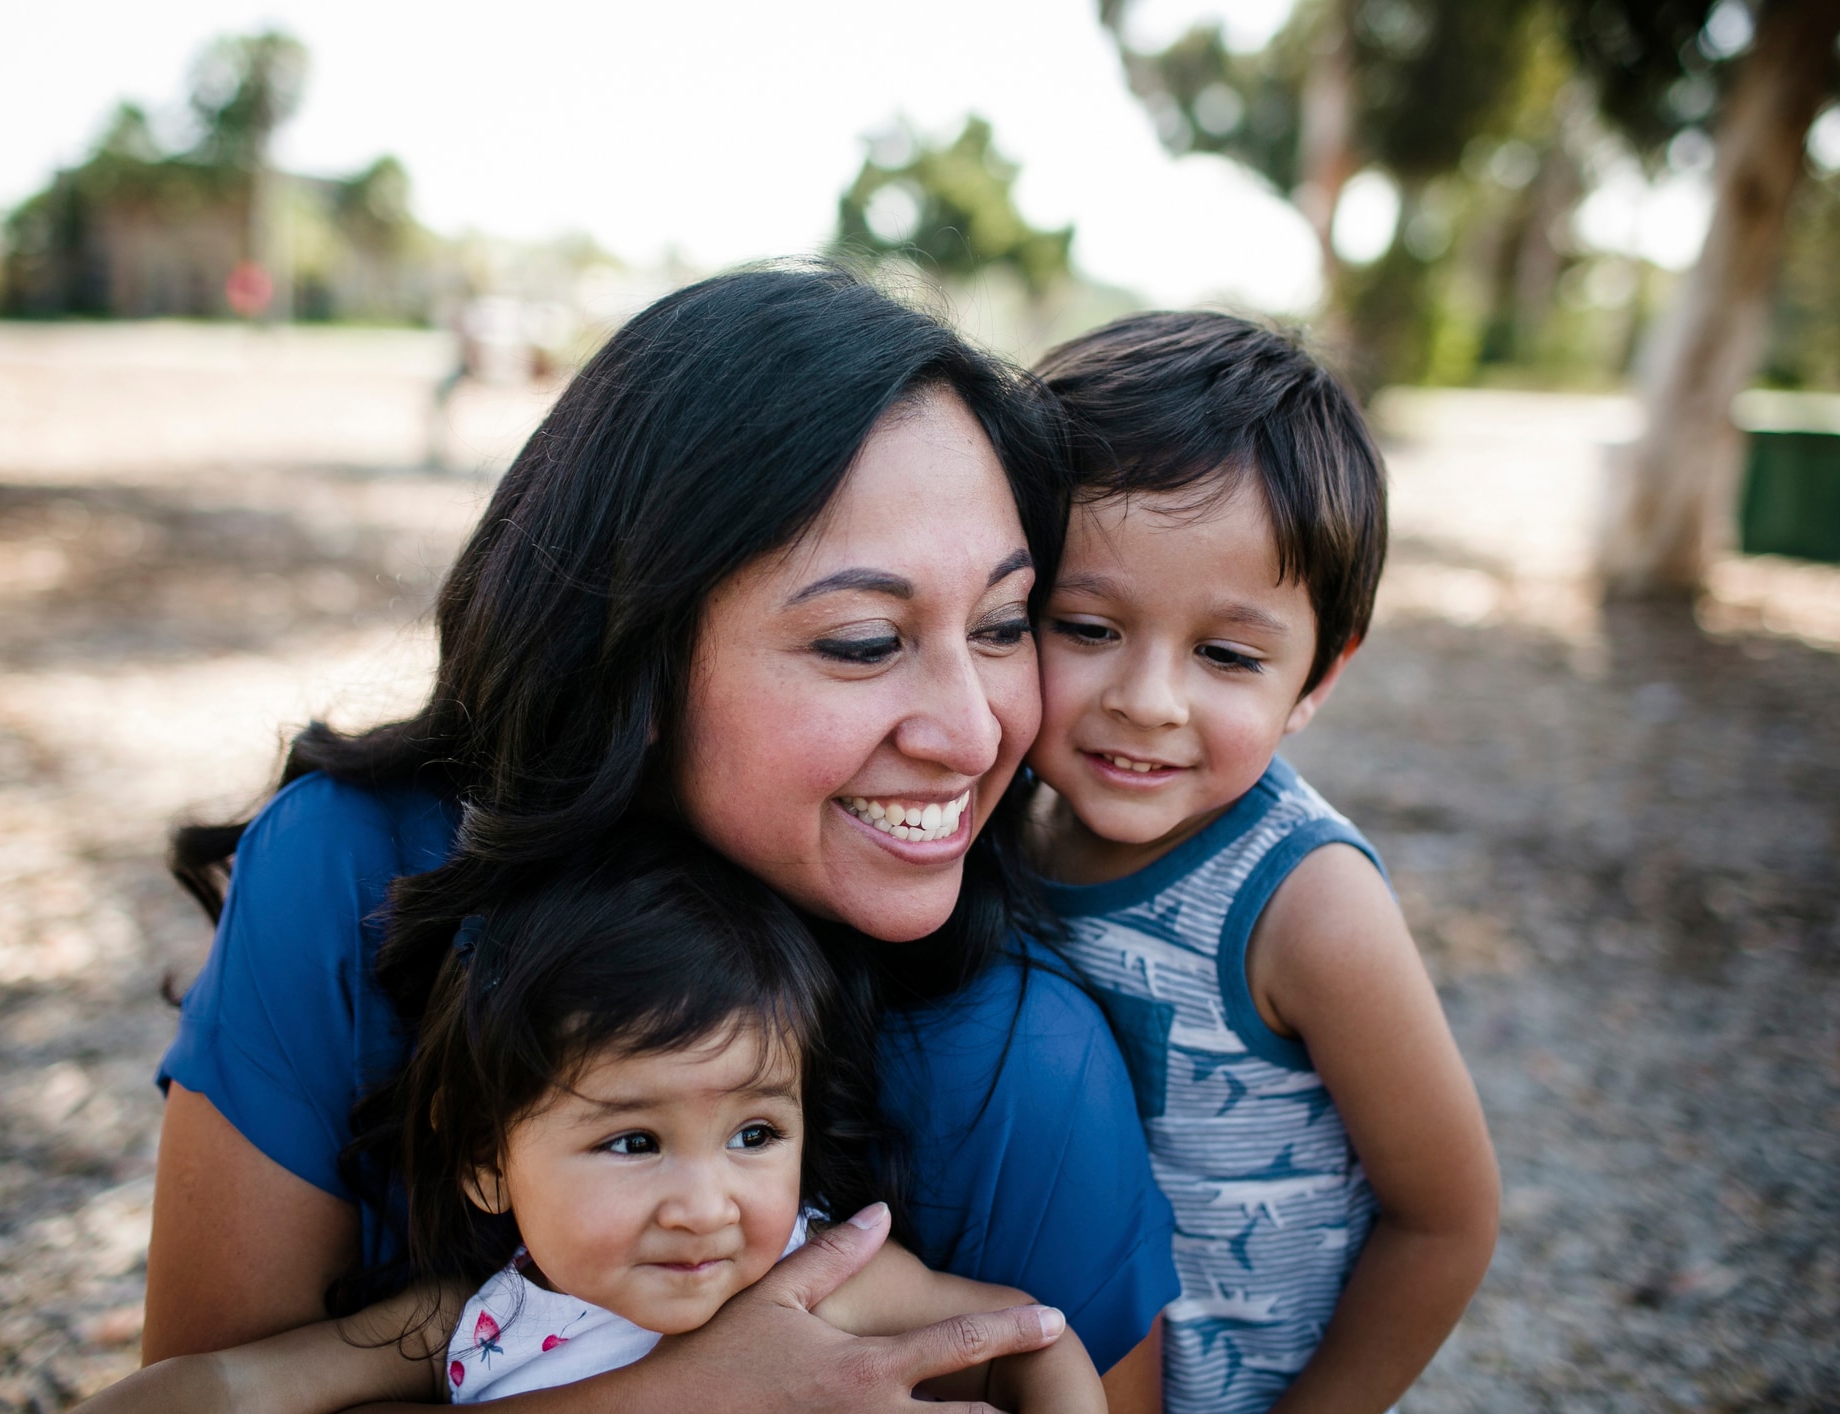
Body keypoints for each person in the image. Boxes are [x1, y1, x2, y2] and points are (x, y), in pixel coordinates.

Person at [147, 263, 1179, 1410]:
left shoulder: (1016, 1065)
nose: (975, 729)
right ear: (630, 655)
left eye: (1000, 624)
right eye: (860, 641)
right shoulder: (355, 871)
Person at [83, 830, 1102, 1412]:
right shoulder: (470, 1322)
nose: (706, 1205)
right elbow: (225, 1384)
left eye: (755, 1133)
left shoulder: (830, 1282)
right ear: (485, 1156)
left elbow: (1033, 1343)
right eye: (632, 1140)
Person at [1027, 312, 1501, 1413]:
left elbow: (1448, 1216)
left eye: (1228, 655)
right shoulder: (996, 826)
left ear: (1318, 678)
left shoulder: (1305, 903)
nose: (1146, 700)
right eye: (1085, 625)